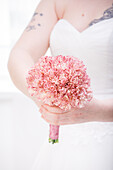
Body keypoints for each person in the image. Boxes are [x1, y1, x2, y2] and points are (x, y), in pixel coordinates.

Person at [8, 0, 113, 169]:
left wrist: (99, 111)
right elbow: (21, 53)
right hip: (64, 139)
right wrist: (42, 95)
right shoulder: (54, 2)